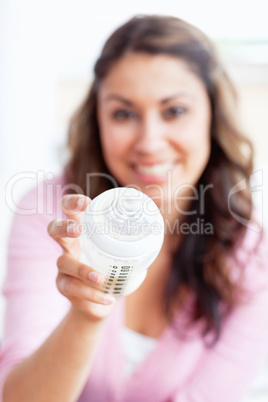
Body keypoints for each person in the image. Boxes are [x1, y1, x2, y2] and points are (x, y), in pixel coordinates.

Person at [1, 14, 268, 402]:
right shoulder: (51, 214)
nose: (149, 142)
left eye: (174, 111)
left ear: (212, 116)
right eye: (124, 113)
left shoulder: (254, 255)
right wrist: (87, 313)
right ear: (98, 119)